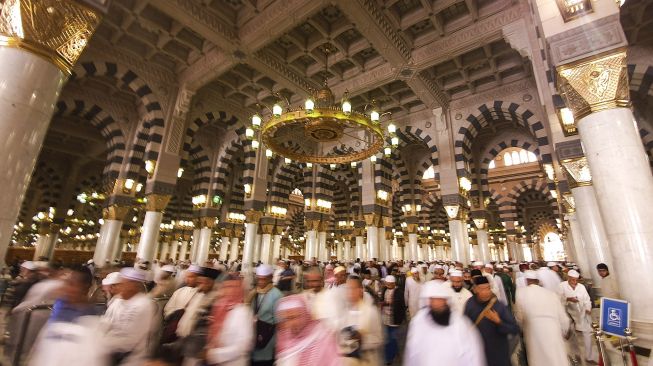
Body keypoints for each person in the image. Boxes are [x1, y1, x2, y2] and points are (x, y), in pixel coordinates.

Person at [29, 266, 104, 365]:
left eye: (72, 284)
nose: (65, 288)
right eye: (66, 283)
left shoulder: (91, 323)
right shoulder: (61, 305)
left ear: (85, 286)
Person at [403, 281, 486, 365]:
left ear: (447, 301)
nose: (438, 304)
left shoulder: (461, 324)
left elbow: (474, 356)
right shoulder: (418, 324)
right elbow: (412, 354)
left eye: (441, 300)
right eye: (433, 300)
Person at [514, 270, 570, 366]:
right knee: (557, 357)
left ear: (527, 281)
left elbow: (519, 317)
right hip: (553, 329)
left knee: (538, 359)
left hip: (534, 331)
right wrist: (564, 330)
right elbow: (563, 317)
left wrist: (521, 329)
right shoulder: (551, 294)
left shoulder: (520, 293)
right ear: (538, 281)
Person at [102, 267, 156, 366]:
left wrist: (103, 343)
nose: (119, 288)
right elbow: (106, 323)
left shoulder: (143, 304)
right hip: (111, 353)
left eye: (123, 284)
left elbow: (130, 340)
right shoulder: (118, 301)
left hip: (130, 358)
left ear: (133, 286)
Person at [464, 276, 519, 366]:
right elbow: (464, 327)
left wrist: (498, 321)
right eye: (482, 289)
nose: (486, 292)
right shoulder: (470, 304)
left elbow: (514, 329)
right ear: (475, 290)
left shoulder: (499, 306)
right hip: (477, 354)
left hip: (498, 355)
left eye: (488, 288)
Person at [275, 295, 341, 366]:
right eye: (286, 319)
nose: (291, 323)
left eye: (294, 317)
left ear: (305, 315)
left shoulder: (322, 337)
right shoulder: (284, 338)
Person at [203, 275, 254, 366]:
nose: (229, 291)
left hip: (234, 362)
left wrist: (214, 354)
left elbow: (244, 345)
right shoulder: (219, 306)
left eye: (233, 287)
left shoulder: (243, 312)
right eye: (226, 287)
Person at [337, 276, 383, 365]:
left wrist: (361, 339)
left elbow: (378, 339)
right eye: (348, 289)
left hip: (366, 360)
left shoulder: (371, 311)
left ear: (360, 290)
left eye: (353, 288)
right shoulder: (344, 311)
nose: (350, 292)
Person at [246, 264, 283, 366]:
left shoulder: (277, 295)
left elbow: (279, 322)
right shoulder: (253, 293)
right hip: (253, 334)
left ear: (270, 278)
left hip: (267, 338)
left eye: (264, 279)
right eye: (259, 279)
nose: (261, 282)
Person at [559, 269, 596, 364]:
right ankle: (575, 355)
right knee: (572, 337)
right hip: (569, 314)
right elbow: (558, 299)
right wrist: (568, 299)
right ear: (568, 278)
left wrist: (588, 308)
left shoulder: (581, 287)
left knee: (587, 334)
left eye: (576, 280)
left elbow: (587, 299)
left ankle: (589, 357)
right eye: (572, 280)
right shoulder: (562, 286)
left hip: (583, 314)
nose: (575, 282)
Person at [380, 275, 405, 365]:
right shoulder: (385, 290)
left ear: (394, 283)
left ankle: (390, 358)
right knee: (387, 339)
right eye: (387, 284)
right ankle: (390, 354)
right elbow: (382, 299)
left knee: (392, 339)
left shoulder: (399, 292)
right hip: (385, 319)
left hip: (394, 320)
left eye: (390, 284)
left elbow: (399, 304)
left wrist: (387, 303)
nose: (388, 286)